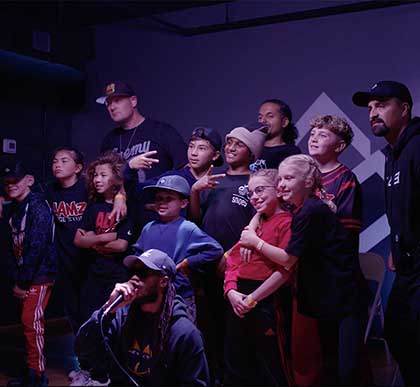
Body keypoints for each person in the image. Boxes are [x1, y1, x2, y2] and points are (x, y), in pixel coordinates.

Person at [352, 80, 420, 385]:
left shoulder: (418, 146)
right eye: (370, 108)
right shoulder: (392, 153)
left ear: (404, 109)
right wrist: (395, 244)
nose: (372, 113)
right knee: (397, 330)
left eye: (381, 105)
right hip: (407, 262)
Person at [75, 249, 210, 386]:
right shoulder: (122, 316)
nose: (134, 278)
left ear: (163, 282)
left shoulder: (184, 333)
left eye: (142, 273)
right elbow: (83, 350)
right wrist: (108, 308)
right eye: (132, 272)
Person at [224, 169, 293, 386]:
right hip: (239, 298)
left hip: (267, 298)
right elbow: (233, 261)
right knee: (236, 357)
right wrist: (231, 291)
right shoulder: (253, 226)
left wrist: (253, 298)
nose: (254, 197)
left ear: (279, 191)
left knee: (270, 359)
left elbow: (285, 268)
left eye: (260, 190)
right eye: (251, 193)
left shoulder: (286, 222)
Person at [132, 174, 223, 322]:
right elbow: (138, 252)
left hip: (179, 295)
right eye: (159, 199)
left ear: (183, 203)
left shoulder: (187, 228)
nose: (162, 203)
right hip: (152, 294)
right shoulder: (148, 228)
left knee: (179, 335)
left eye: (168, 199)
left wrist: (188, 262)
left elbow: (215, 250)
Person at [2, 162, 57, 387]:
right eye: (7, 182)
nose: (11, 185)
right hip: (26, 275)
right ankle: (31, 370)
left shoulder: (37, 206)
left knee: (31, 322)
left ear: (30, 180)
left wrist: (23, 282)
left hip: (40, 274)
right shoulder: (15, 207)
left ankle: (37, 375)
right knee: (28, 323)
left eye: (16, 180)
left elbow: (37, 246)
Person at [97, 81, 187, 181]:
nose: (112, 107)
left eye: (117, 100)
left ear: (133, 101)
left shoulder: (162, 131)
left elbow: (186, 167)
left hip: (155, 195)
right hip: (121, 196)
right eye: (108, 103)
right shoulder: (109, 140)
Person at [250, 99, 300, 171]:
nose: (263, 121)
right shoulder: (251, 149)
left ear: (284, 122)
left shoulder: (291, 152)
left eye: (270, 116)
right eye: (260, 117)